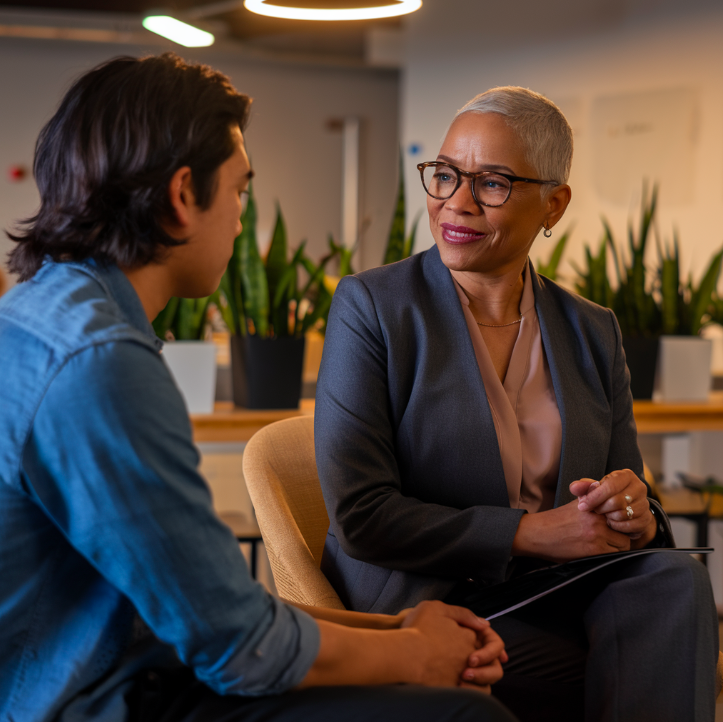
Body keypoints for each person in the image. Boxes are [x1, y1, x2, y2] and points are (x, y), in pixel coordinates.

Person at [0, 54, 518, 722]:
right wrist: (417, 655)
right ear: (182, 197)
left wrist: (396, 629)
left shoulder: (38, 317)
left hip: (120, 662)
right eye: (239, 191)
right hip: (86, 699)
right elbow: (239, 647)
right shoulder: (100, 365)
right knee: (467, 716)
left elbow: (205, 600)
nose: (242, 220)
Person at [315, 86, 719, 722]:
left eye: (492, 183)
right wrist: (530, 533)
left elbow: (628, 487)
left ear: (553, 203)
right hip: (429, 600)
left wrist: (636, 515)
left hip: (559, 592)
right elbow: (360, 515)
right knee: (651, 659)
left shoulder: (593, 328)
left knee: (675, 580)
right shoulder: (374, 307)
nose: (457, 202)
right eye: (445, 174)